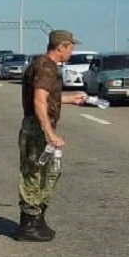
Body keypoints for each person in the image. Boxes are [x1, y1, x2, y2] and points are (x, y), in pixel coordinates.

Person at [15, 29, 86, 242]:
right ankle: (28, 226)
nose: (71, 52)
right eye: (70, 47)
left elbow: (46, 98)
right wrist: (49, 132)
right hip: (37, 129)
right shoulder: (46, 67)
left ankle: (37, 220)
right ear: (61, 46)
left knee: (48, 173)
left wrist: (69, 99)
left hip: (37, 126)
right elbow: (38, 101)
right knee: (34, 174)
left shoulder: (41, 64)